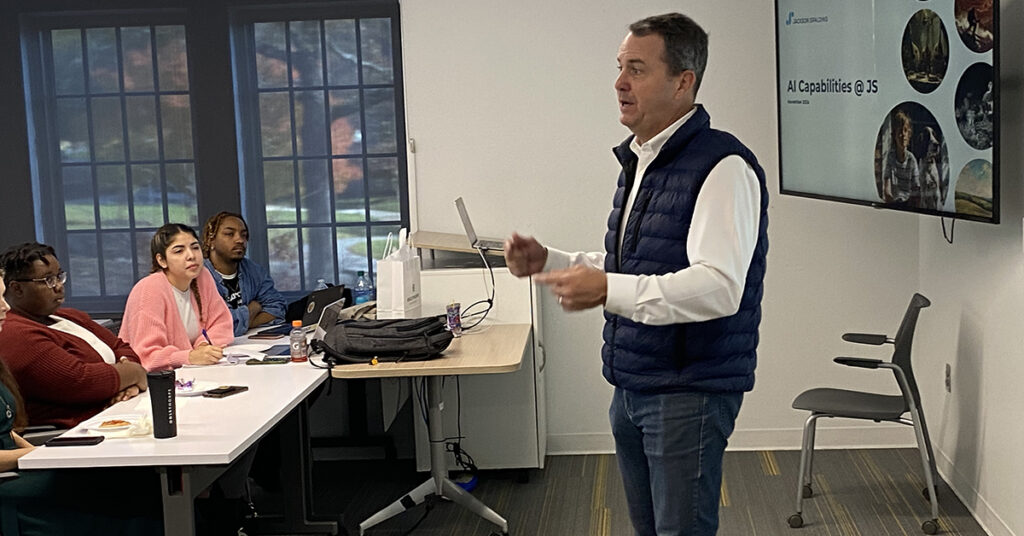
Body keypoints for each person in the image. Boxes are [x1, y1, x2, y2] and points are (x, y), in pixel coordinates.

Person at [504, 13, 768, 536]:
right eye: (620, 68)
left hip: (687, 391)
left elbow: (719, 287)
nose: (620, 83)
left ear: (683, 81)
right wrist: (552, 261)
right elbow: (638, 266)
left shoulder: (724, 167)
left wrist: (607, 290)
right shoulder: (643, 161)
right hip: (633, 385)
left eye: (638, 69)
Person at [0, 271, 163, 535]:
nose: (5, 307)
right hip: (9, 488)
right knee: (134, 503)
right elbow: (79, 380)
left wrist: (38, 454)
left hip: (23, 467)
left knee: (142, 486)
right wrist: (38, 455)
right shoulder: (18, 336)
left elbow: (6, 429)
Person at [0, 243, 148, 428]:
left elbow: (122, 347)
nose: (59, 287)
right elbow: (81, 381)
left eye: (59, 277)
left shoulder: (68, 315)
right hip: (75, 432)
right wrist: (134, 373)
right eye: (48, 280)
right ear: (17, 289)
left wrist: (129, 383)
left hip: (117, 415)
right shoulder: (14, 332)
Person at [120, 223, 234, 371]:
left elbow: (222, 324)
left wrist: (204, 345)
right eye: (179, 251)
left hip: (193, 373)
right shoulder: (149, 289)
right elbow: (146, 356)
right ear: (162, 260)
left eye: (195, 247)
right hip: (153, 382)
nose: (191, 256)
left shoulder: (202, 276)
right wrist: (189, 356)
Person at [201, 211, 287, 336]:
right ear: (211, 240)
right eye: (229, 234)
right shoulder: (199, 276)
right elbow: (218, 324)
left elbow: (278, 308)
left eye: (244, 235)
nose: (240, 240)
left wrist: (242, 324)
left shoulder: (253, 270)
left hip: (252, 346)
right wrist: (254, 307)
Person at [881, 109, 920, 205]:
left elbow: (916, 190)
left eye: (905, 130)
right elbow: (887, 190)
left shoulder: (912, 160)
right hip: (894, 204)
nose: (903, 135)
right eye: (899, 131)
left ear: (909, 134)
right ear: (894, 135)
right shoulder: (890, 158)